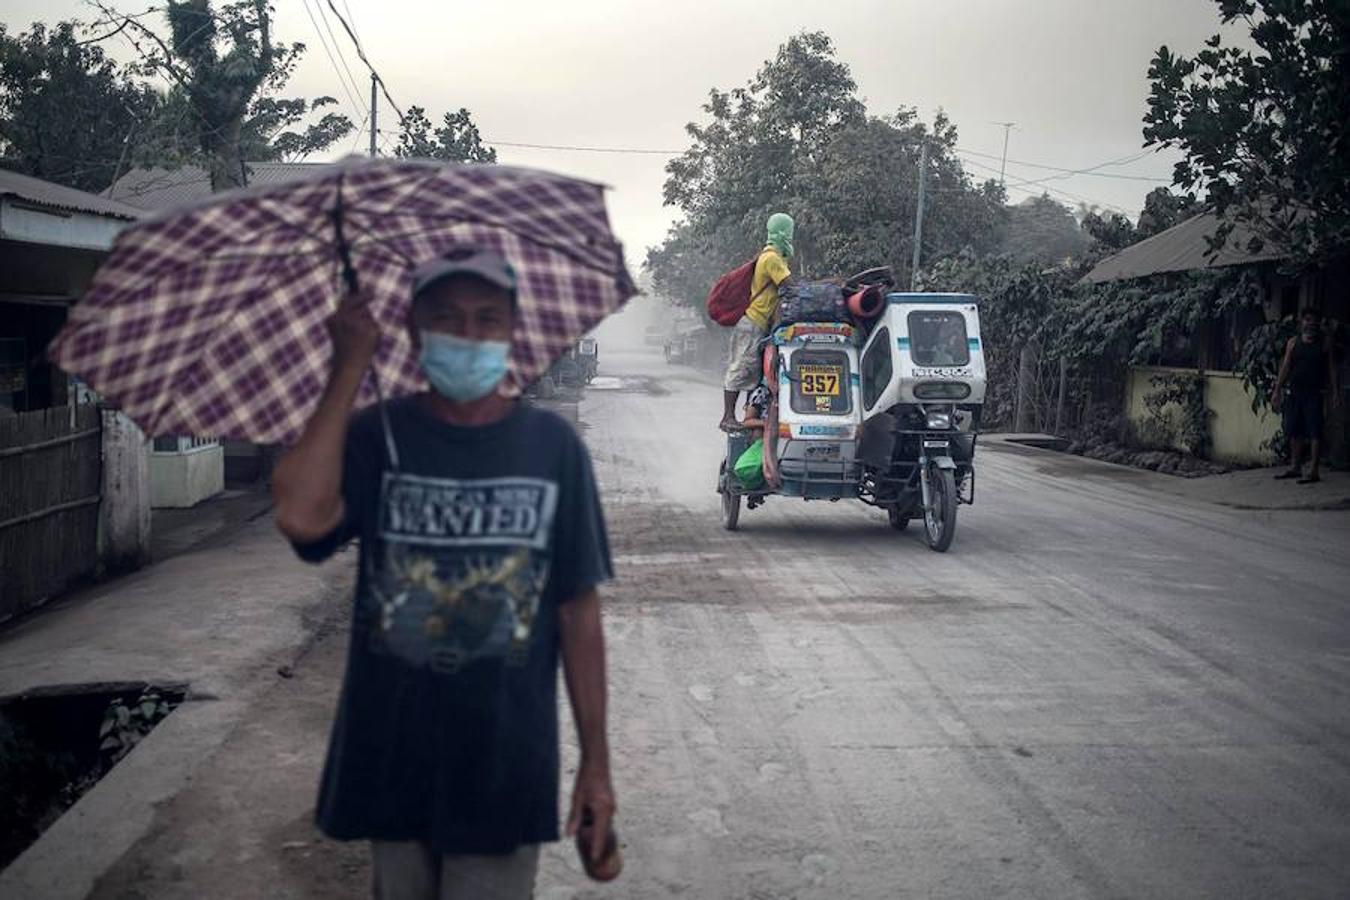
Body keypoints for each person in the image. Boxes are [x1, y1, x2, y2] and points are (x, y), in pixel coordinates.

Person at [271, 248, 616, 900]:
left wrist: (596, 764)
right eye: (447, 317)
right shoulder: (379, 435)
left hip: (505, 765)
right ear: (412, 330)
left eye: (488, 319)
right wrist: (347, 367)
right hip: (392, 756)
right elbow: (299, 514)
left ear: (512, 333)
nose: (469, 334)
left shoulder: (552, 448)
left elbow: (579, 612)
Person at [720, 212, 794, 431]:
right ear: (782, 232)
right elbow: (789, 285)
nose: (791, 237)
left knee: (753, 372)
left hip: (756, 324)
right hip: (752, 322)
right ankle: (727, 417)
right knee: (740, 368)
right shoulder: (772, 258)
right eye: (789, 232)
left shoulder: (771, 256)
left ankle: (742, 414)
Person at [1270, 307, 1340, 484]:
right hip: (1295, 391)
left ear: (1318, 323)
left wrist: (1335, 391)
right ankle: (1295, 467)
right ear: (1302, 322)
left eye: (1314, 320)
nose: (1311, 323)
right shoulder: (1293, 343)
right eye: (1307, 319)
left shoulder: (1324, 343)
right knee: (1295, 430)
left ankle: (1314, 470)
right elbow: (1285, 367)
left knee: (1315, 430)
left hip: (1314, 393)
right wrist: (1277, 390)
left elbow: (1331, 368)